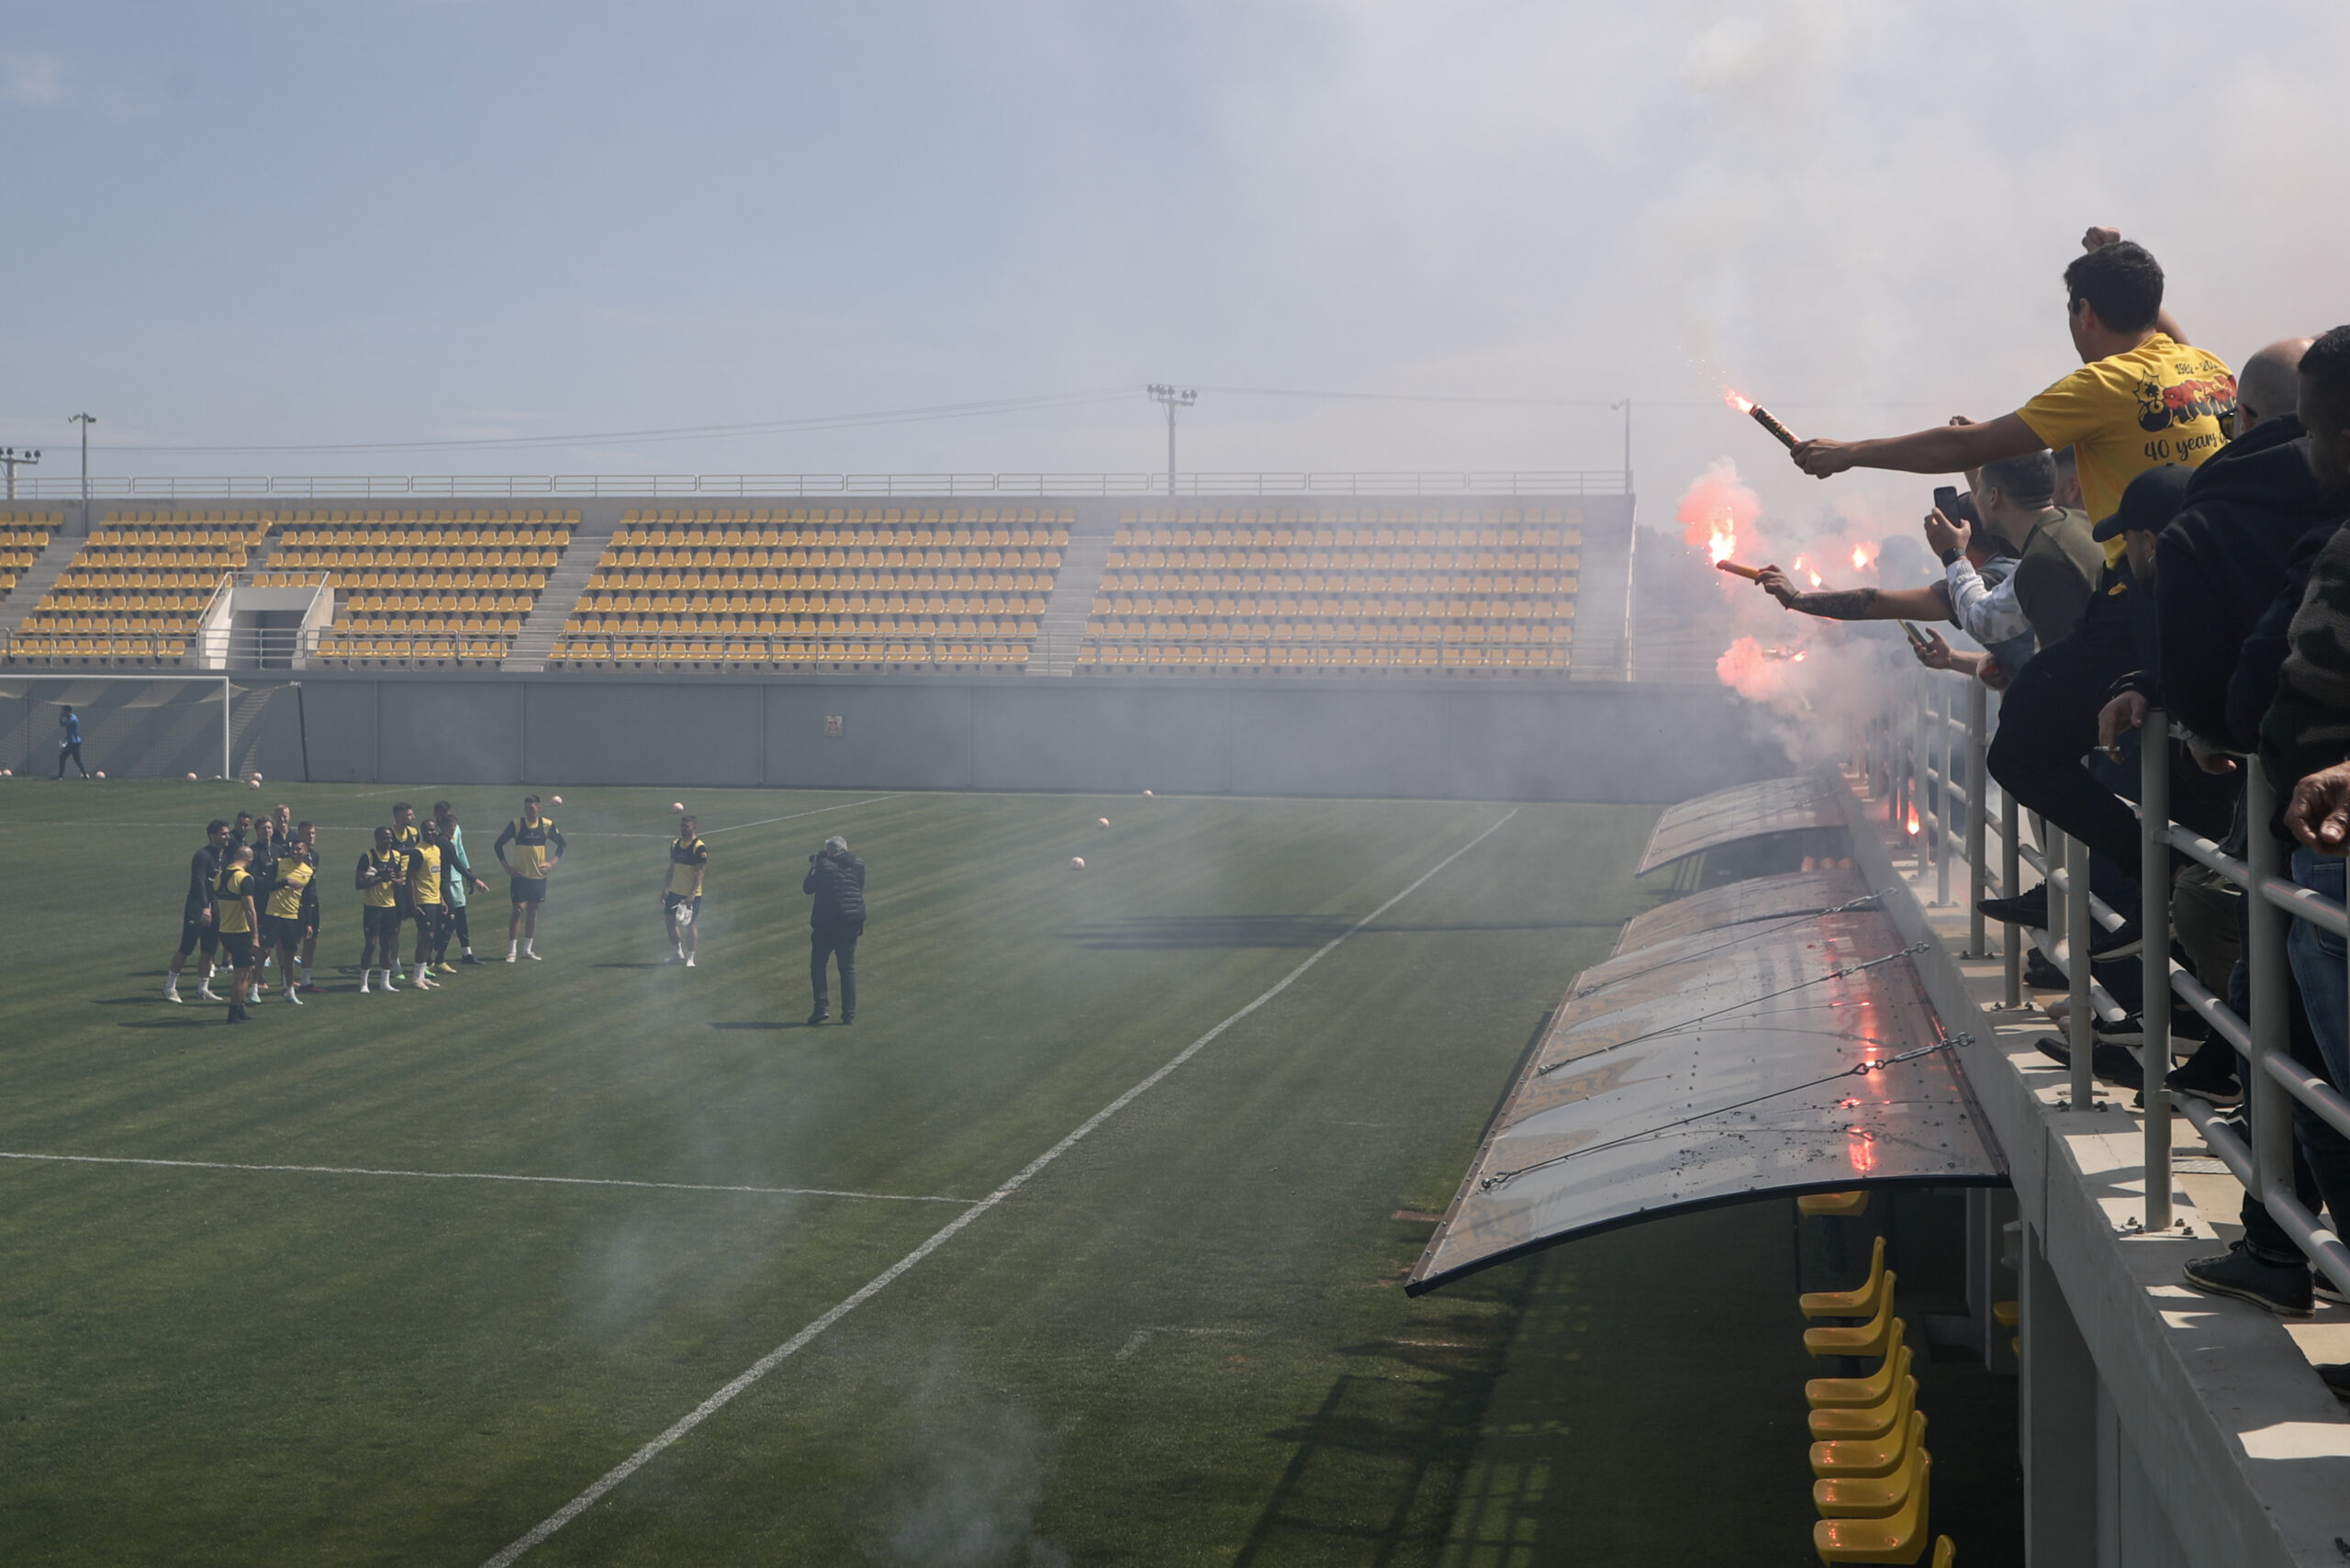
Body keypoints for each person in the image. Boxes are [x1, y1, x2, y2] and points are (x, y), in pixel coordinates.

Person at [164, 818, 232, 1003]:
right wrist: (205, 907)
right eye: (223, 833)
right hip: (197, 906)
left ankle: (203, 989)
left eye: (228, 833)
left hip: (214, 907)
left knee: (209, 950)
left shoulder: (224, 857)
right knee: (186, 947)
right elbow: (199, 882)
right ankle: (170, 987)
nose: (227, 836)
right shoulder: (202, 855)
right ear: (212, 835)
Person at [803, 834, 866, 1025]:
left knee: (818, 965)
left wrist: (815, 865)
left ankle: (821, 1007)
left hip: (827, 923)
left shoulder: (823, 865)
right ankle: (849, 1014)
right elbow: (859, 887)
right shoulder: (858, 863)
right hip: (852, 921)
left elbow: (808, 888)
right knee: (847, 969)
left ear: (831, 851)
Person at [495, 795, 565, 960]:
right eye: (526, 808)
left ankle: (527, 950)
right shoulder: (516, 824)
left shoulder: (547, 825)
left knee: (533, 911)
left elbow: (562, 844)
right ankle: (512, 951)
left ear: (538, 808)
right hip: (520, 876)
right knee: (518, 910)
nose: (528, 811)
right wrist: (506, 867)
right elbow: (498, 845)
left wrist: (551, 864)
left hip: (538, 876)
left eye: (531, 808)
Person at [431, 801, 488, 967]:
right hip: (440, 880)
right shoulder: (430, 831)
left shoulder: (455, 829)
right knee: (445, 919)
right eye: (442, 814)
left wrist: (469, 873)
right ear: (436, 814)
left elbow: (460, 851)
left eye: (448, 813)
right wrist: (473, 878)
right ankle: (435, 956)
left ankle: (466, 953)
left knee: (460, 916)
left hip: (455, 878)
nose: (445, 817)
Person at [261, 836, 315, 1007]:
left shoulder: (309, 871)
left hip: (292, 917)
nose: (295, 852)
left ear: (306, 851)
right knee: (265, 951)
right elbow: (266, 885)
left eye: (299, 849)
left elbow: (306, 900)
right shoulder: (279, 864)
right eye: (293, 849)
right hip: (273, 914)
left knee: (289, 955)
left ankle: (289, 991)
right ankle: (253, 987)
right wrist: (284, 882)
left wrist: (308, 923)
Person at [212, 845, 260, 1025]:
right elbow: (250, 910)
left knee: (247, 971)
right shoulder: (245, 879)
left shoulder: (219, 876)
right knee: (241, 974)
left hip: (225, 930)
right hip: (240, 932)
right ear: (250, 859)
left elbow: (216, 906)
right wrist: (255, 936)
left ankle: (240, 1008)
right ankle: (233, 1012)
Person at [356, 826, 407, 994]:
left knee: (387, 944)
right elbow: (359, 884)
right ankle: (364, 983)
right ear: (377, 839)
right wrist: (380, 879)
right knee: (371, 944)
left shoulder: (396, 855)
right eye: (386, 838)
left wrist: (395, 880)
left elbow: (400, 879)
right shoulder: (368, 857)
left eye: (391, 838)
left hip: (390, 907)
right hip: (373, 907)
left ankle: (385, 982)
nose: (389, 841)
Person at [405, 818, 450, 991]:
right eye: (426, 830)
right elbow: (410, 879)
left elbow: (435, 878)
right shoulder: (418, 852)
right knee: (426, 937)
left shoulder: (436, 850)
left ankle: (422, 976)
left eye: (432, 830)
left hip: (435, 899)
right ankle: (416, 978)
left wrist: (442, 899)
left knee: (431, 937)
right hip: (424, 900)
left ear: (436, 829)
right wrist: (414, 903)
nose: (430, 833)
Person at [661, 813, 709, 967]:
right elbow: (671, 868)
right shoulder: (675, 844)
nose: (683, 829)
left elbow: (700, 873)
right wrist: (664, 889)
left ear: (694, 827)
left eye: (686, 826)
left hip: (691, 894)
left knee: (690, 925)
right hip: (675, 891)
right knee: (669, 922)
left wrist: (692, 894)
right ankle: (677, 952)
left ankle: (690, 958)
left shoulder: (699, 847)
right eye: (682, 826)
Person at [245, 817, 282, 997]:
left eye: (269, 828)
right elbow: (254, 879)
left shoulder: (278, 850)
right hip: (261, 903)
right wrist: (275, 885)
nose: (266, 831)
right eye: (263, 828)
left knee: (277, 942)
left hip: (277, 902)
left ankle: (285, 978)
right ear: (257, 831)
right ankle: (257, 978)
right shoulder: (253, 852)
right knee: (261, 943)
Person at [385, 802, 420, 984]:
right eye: (409, 815)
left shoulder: (414, 833)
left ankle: (423, 963)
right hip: (398, 887)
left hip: (413, 885)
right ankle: (395, 964)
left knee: (422, 923)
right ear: (399, 816)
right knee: (396, 927)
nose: (412, 818)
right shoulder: (389, 836)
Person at [294, 819, 324, 994]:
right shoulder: (292, 855)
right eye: (307, 833)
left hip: (313, 902)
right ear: (299, 835)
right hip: (296, 904)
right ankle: (287, 982)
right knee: (292, 942)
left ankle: (306, 981)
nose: (311, 836)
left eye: (313, 833)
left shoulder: (315, 855)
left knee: (311, 942)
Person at [54, 704, 88, 778]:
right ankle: (85, 775)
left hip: (73, 743)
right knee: (77, 759)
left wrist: (61, 717)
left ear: (67, 711)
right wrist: (65, 739)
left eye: (63, 710)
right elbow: (70, 730)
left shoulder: (73, 718)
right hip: (73, 742)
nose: (61, 711)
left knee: (62, 757)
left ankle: (60, 776)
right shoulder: (69, 717)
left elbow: (63, 724)